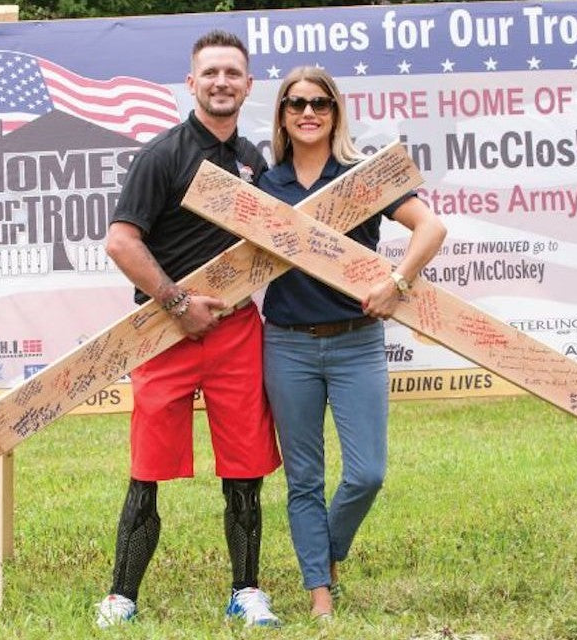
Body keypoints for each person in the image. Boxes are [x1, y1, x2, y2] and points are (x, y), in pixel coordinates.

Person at [97, 30, 282, 628]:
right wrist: (178, 303)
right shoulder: (163, 154)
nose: (222, 82)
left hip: (235, 333)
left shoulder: (257, 162)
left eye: (233, 73)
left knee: (244, 466)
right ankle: (121, 598)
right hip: (163, 332)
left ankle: (246, 592)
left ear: (248, 85)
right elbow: (121, 242)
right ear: (192, 83)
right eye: (211, 73)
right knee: (147, 468)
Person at [258, 67, 447, 619]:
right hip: (288, 345)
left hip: (355, 342)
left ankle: (327, 551)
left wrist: (397, 284)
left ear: (336, 111)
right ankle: (320, 593)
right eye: (296, 104)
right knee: (305, 479)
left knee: (368, 474)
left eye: (320, 103)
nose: (308, 112)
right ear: (283, 114)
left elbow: (430, 229)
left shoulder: (361, 174)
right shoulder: (267, 186)